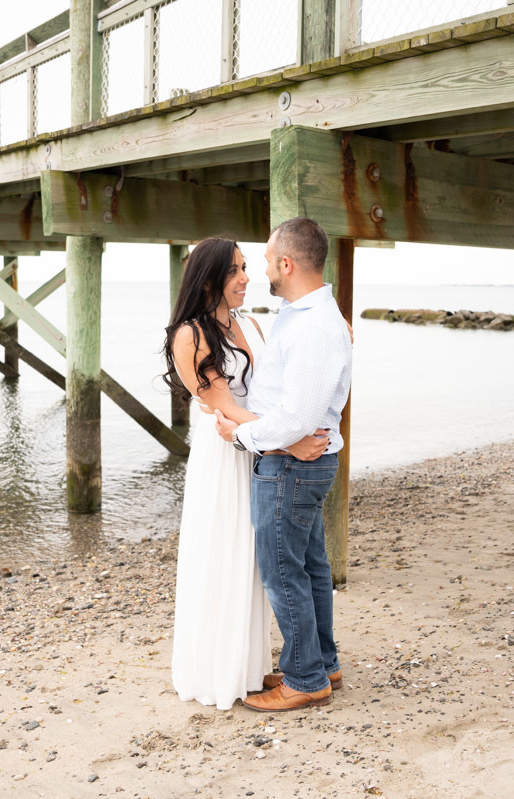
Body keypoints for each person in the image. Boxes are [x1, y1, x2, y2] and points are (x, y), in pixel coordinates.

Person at [162, 237, 329, 711]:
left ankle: (253, 666)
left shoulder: (251, 323)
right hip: (224, 459)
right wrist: (289, 440)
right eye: (235, 270)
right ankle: (221, 672)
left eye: (244, 267)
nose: (246, 277)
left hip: (258, 452)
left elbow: (284, 374)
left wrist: (333, 333)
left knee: (256, 566)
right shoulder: (189, 336)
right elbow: (227, 409)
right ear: (210, 278)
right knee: (224, 559)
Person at [213, 217, 353, 712]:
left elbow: (298, 416)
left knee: (282, 571)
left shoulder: (314, 324)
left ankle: (305, 678)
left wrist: (241, 434)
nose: (262, 271)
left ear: (287, 264)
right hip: (299, 464)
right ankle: (322, 661)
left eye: (268, 261)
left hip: (292, 467)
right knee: (311, 566)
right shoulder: (302, 314)